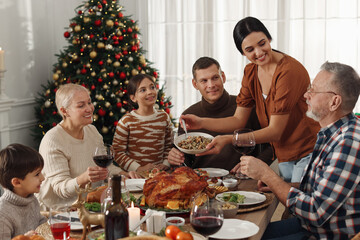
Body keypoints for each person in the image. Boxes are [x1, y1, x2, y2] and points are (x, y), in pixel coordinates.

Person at [181, 17, 320, 182]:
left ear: (269, 39)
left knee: (301, 205)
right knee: (290, 205)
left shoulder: (288, 71)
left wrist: (228, 139)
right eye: (250, 49)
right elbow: (238, 120)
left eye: (262, 44)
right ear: (242, 52)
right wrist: (201, 122)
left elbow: (275, 131)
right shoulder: (251, 72)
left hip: (307, 152)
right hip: (284, 156)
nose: (259, 53)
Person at [235, 61, 360, 239]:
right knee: (245, 234)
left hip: (325, 234)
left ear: (334, 102)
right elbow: (320, 190)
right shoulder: (334, 132)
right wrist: (278, 183)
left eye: (313, 91)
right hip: (311, 227)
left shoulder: (347, 143)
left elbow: (316, 213)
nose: (305, 95)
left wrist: (267, 174)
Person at [36, 83, 137, 209]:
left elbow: (105, 169)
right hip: (61, 212)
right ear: (64, 111)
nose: (89, 108)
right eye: (81, 105)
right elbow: (60, 189)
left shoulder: (91, 131)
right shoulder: (53, 140)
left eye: (89, 102)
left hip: (91, 205)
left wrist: (123, 174)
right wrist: (83, 178)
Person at [168, 56, 273, 171]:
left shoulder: (247, 107)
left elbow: (272, 145)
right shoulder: (189, 115)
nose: (211, 85)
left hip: (242, 179)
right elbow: (185, 161)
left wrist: (257, 163)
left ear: (223, 77)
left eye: (215, 78)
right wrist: (176, 158)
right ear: (195, 84)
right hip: (203, 182)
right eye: (204, 80)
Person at [113, 74, 173, 172]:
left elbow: (169, 146)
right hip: (136, 177)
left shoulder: (164, 117)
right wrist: (138, 168)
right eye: (143, 90)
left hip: (161, 175)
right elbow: (117, 152)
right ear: (133, 98)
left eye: (152, 87)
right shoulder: (126, 121)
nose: (150, 92)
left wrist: (165, 163)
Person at [0, 144, 47, 239]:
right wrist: (25, 238)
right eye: (37, 174)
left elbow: (41, 223)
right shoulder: (3, 215)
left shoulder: (31, 199)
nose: (43, 178)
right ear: (17, 182)